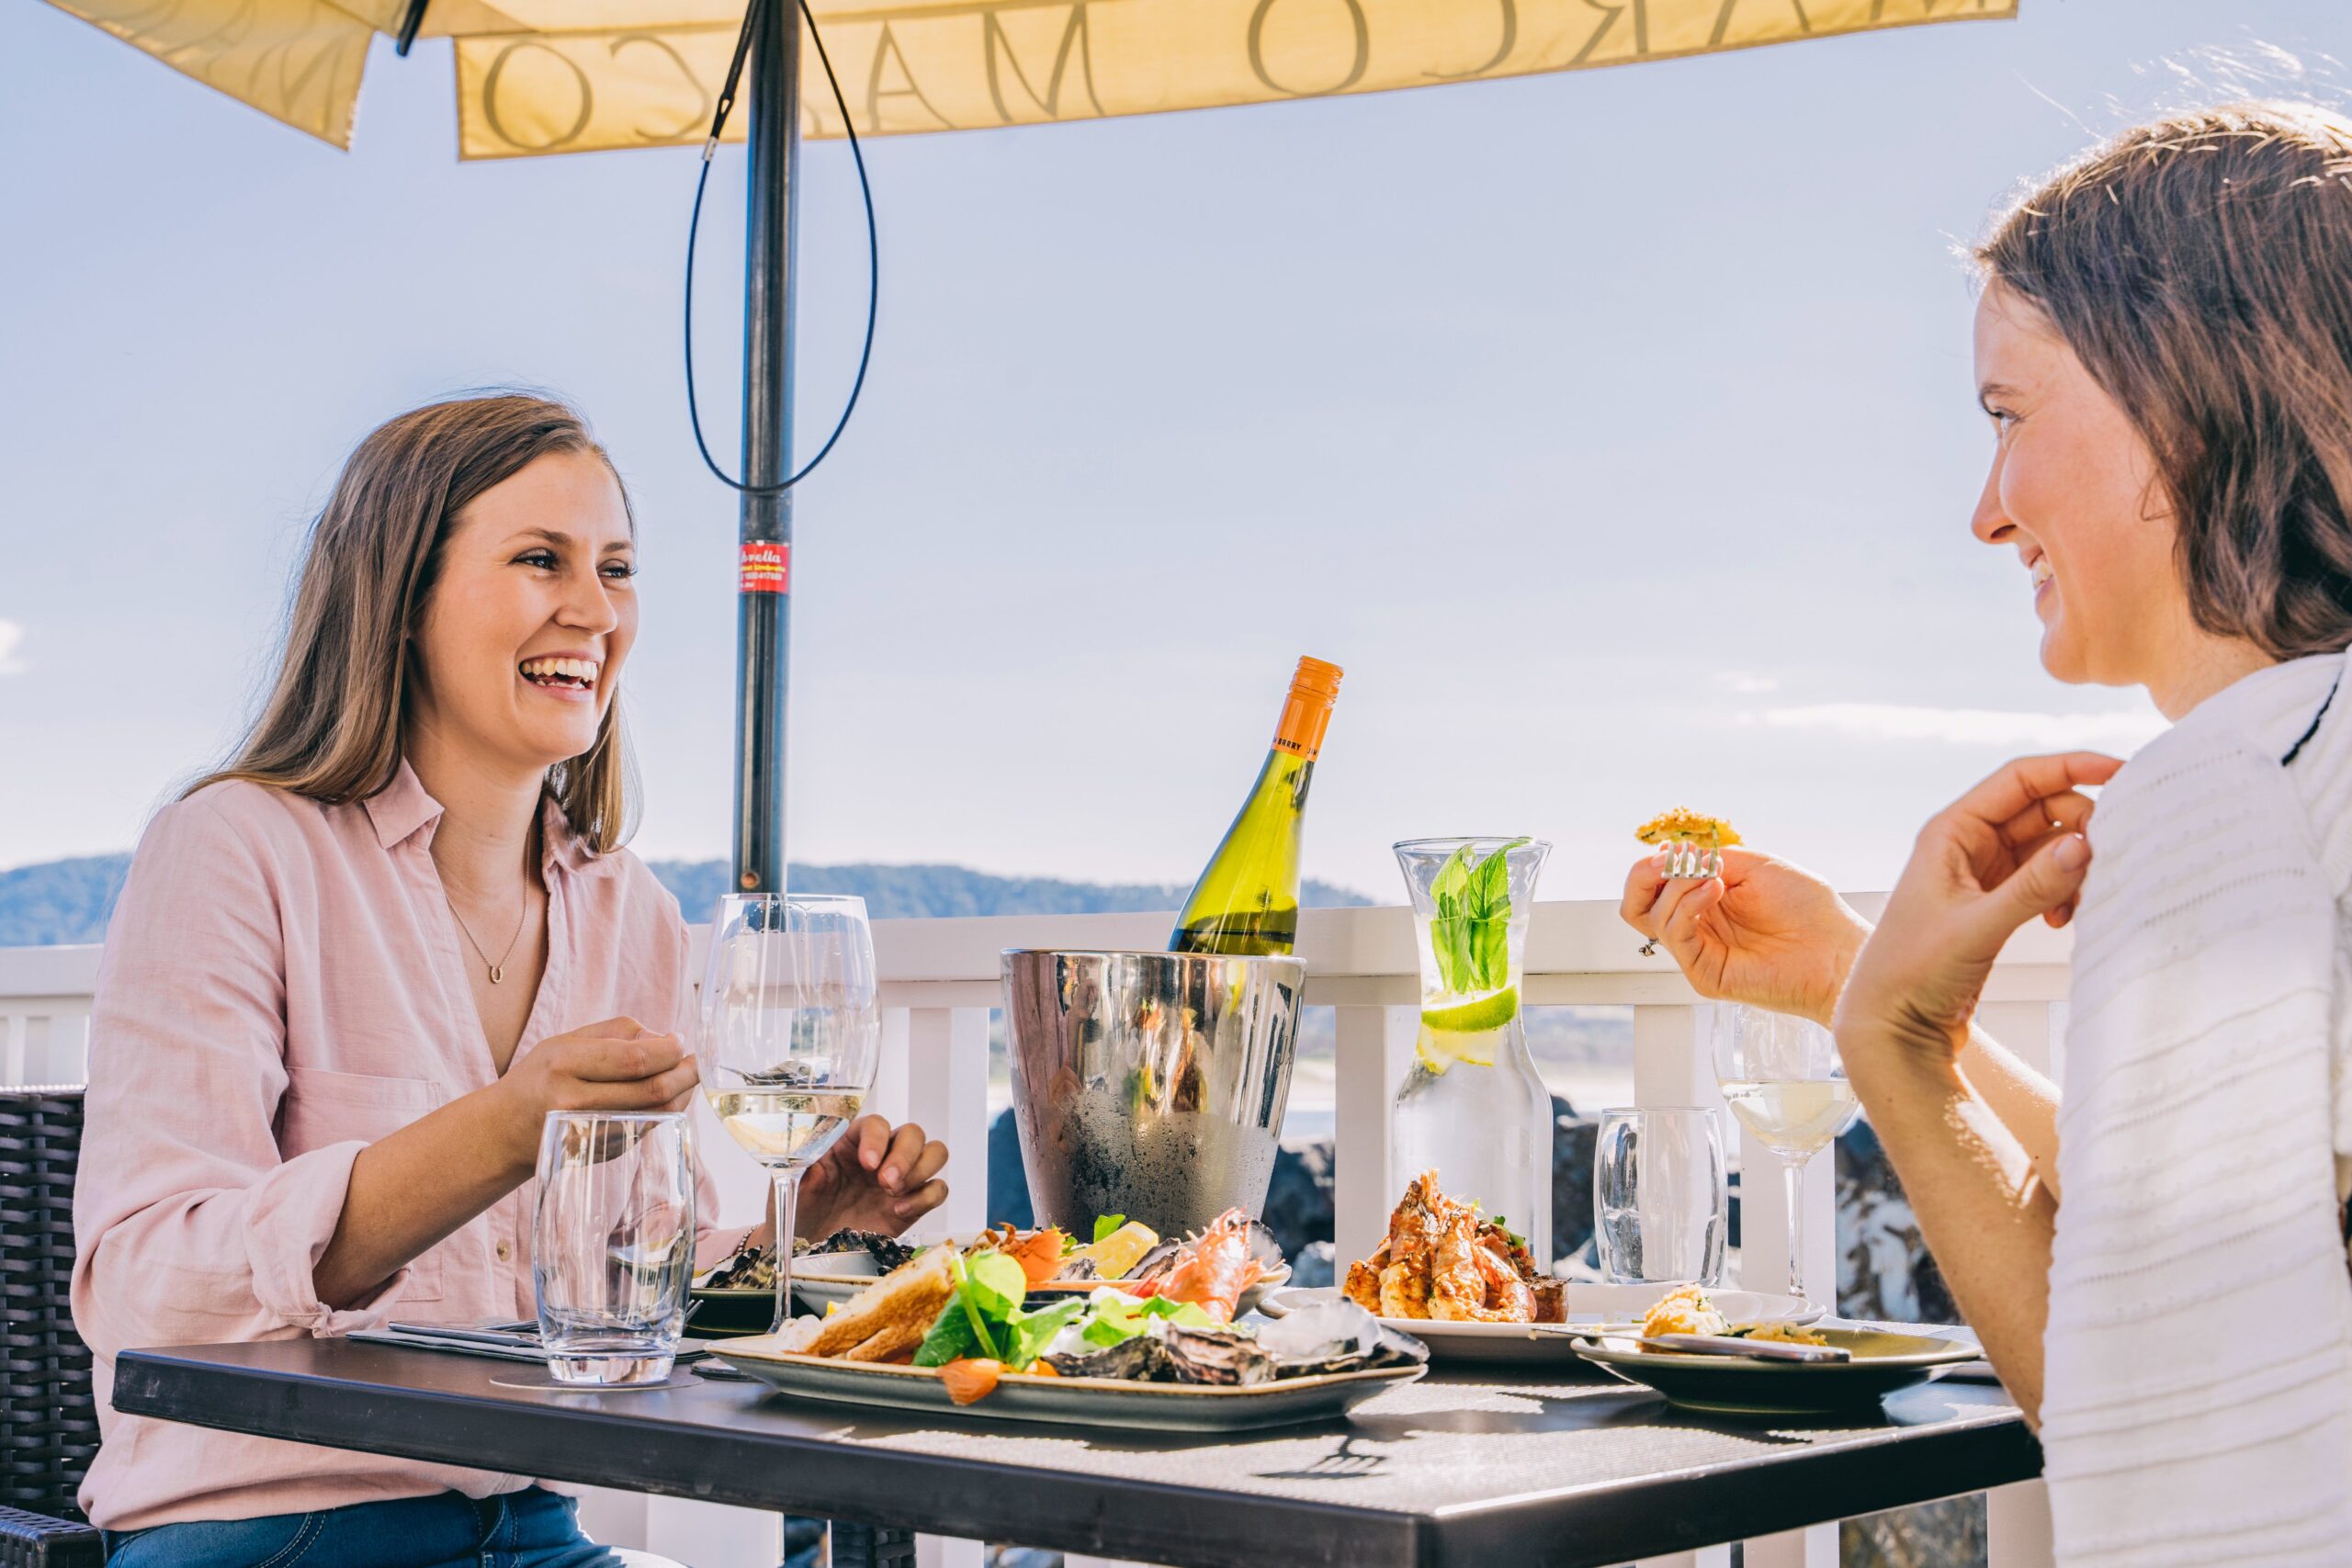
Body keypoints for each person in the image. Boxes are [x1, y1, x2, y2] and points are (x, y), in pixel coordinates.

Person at [1623, 104, 2352, 1565]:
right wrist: (1854, 978)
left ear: (2183, 398)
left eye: (2008, 416)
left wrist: (1895, 1042)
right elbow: (2242, 1250)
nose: (1981, 511)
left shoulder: (2232, 791)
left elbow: (2172, 1445)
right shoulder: (2315, 759)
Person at [72, 394, 952, 1566]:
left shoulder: (627, 912)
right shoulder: (235, 848)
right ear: (400, 596)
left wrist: (807, 1228)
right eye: (540, 559)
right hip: (272, 1533)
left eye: (618, 569)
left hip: (535, 1530)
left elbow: (636, 1277)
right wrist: (500, 1129)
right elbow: (144, 1289)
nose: (594, 612)